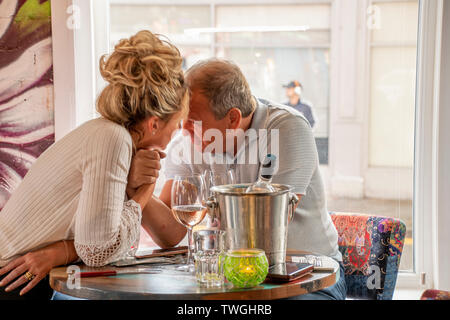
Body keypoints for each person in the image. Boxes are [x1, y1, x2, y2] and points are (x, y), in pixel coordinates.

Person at [129, 58, 346, 300]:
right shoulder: (189, 142)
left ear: (232, 118)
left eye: (192, 121)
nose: (182, 130)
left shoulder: (286, 129)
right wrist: (136, 184)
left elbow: (267, 232)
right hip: (237, 278)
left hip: (309, 277)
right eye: (181, 119)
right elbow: (170, 232)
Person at [0, 30, 187, 300]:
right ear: (155, 123)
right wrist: (145, 190)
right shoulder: (112, 139)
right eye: (178, 124)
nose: (177, 134)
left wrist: (134, 185)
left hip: (28, 277)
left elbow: (172, 237)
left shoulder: (108, 135)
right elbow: (97, 249)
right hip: (15, 278)